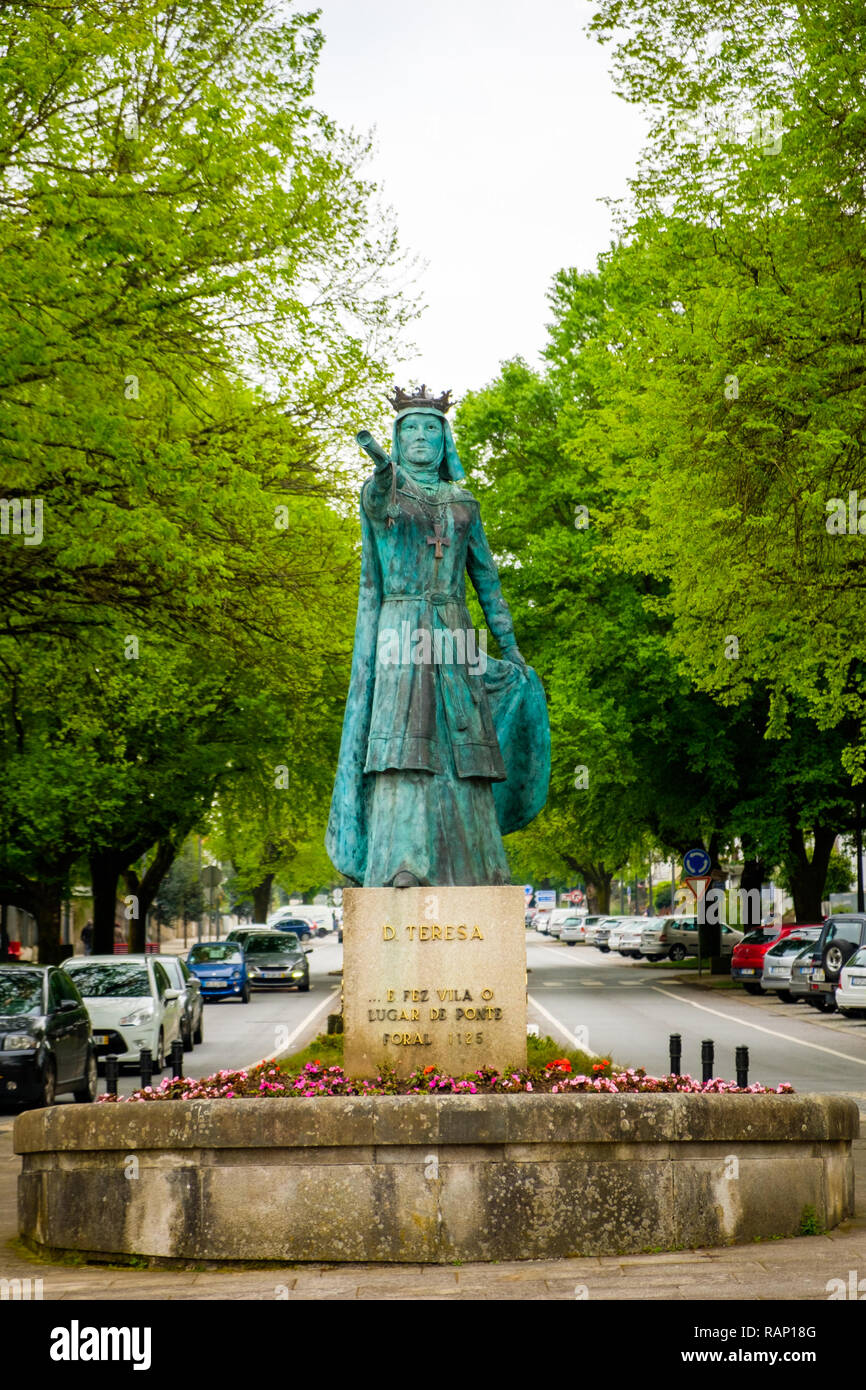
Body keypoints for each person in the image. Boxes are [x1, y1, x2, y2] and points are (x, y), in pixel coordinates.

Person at [326, 386, 549, 888]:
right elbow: (382, 499)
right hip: (400, 629)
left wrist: (509, 647)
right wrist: (384, 469)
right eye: (410, 428)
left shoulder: (463, 501)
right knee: (404, 747)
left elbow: (487, 578)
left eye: (431, 427)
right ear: (397, 439)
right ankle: (402, 862)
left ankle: (481, 863)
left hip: (455, 629)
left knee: (464, 752)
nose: (421, 436)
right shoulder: (380, 493)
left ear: (445, 438)